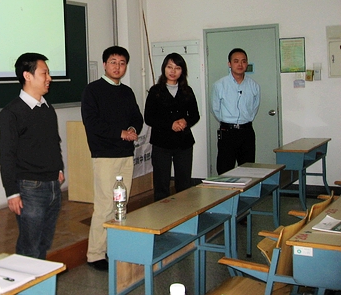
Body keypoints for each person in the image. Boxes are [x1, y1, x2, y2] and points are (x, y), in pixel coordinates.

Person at [81, 46, 143, 271]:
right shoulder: (92, 90)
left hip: (125, 154)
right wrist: (120, 133)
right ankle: (95, 254)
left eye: (122, 63)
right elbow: (92, 123)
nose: (118, 67)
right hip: (105, 156)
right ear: (105, 64)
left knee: (121, 204)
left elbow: (137, 117)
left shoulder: (127, 91)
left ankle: (113, 248)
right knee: (105, 205)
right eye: (113, 62)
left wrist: (132, 128)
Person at [0, 53, 64, 259]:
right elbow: (6, 155)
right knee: (30, 247)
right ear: (27, 76)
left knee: (44, 243)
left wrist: (59, 168)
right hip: (30, 188)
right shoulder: (11, 113)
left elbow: (53, 142)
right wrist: (12, 192)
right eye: (44, 73)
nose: (49, 78)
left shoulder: (47, 108)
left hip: (53, 185)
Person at [144, 53, 200, 201]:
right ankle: (161, 213)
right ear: (164, 68)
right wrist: (170, 124)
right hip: (161, 143)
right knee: (161, 183)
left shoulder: (187, 91)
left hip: (184, 143)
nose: (173, 71)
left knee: (184, 183)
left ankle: (184, 212)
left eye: (177, 68)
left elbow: (195, 115)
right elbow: (149, 117)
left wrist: (185, 121)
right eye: (169, 67)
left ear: (182, 71)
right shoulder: (155, 91)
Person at [211, 48, 260, 175]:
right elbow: (215, 109)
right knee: (224, 169)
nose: (240, 64)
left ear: (247, 63)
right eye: (236, 61)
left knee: (248, 170)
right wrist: (228, 121)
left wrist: (245, 120)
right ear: (229, 64)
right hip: (227, 132)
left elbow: (254, 107)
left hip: (246, 131)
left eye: (243, 61)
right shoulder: (219, 85)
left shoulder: (253, 85)